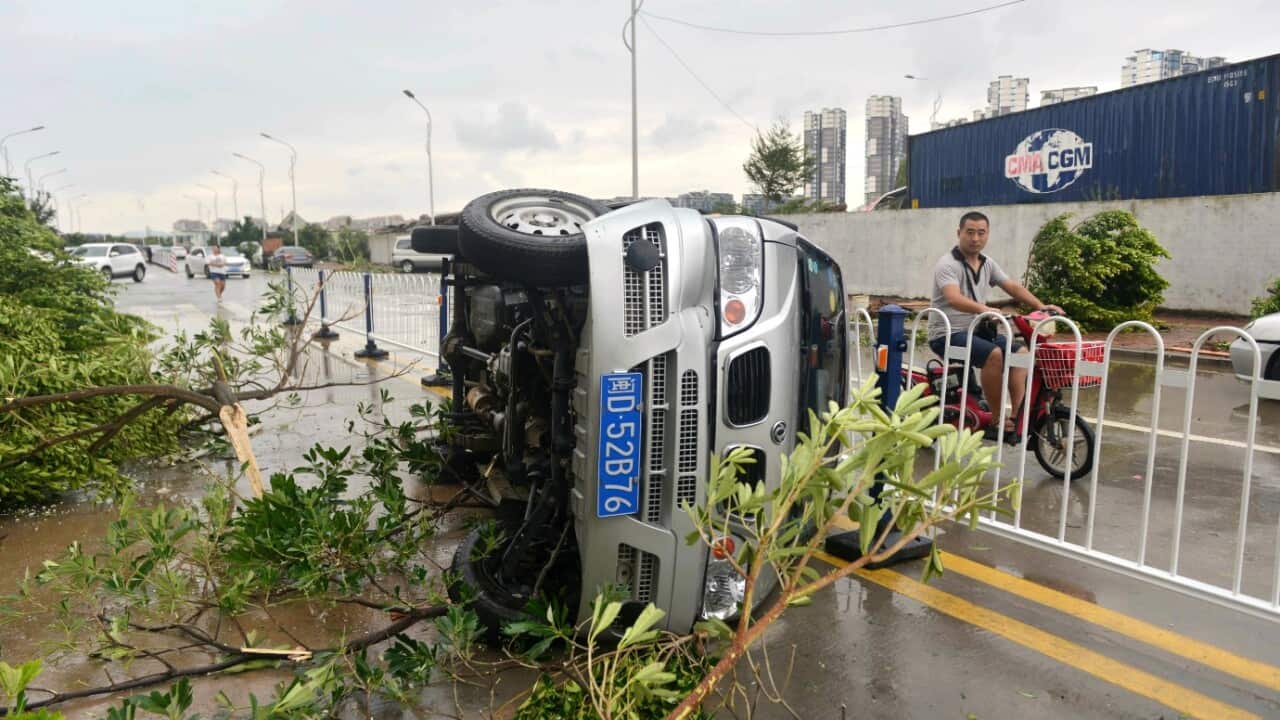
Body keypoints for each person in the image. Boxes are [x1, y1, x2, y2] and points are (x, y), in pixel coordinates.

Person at [928, 211, 1061, 432]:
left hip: (975, 330)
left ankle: (1018, 417)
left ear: (987, 235)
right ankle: (997, 419)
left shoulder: (987, 263)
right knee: (994, 355)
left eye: (981, 233)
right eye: (970, 232)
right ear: (958, 233)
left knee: (1020, 353)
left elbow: (1012, 287)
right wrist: (984, 308)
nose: (975, 238)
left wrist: (1042, 307)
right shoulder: (947, 264)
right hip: (947, 334)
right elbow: (953, 297)